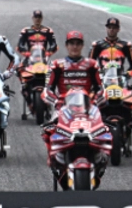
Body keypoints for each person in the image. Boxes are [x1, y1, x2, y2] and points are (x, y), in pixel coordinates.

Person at [42, 31, 103, 165]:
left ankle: (99, 156)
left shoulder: (92, 64)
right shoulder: (57, 64)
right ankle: (53, 156)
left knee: (102, 128)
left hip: (87, 107)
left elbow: (100, 88)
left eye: (78, 44)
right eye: (72, 43)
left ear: (82, 45)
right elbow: (48, 89)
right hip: (63, 107)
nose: (74, 47)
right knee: (49, 130)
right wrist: (56, 102)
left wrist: (95, 101)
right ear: (66, 45)